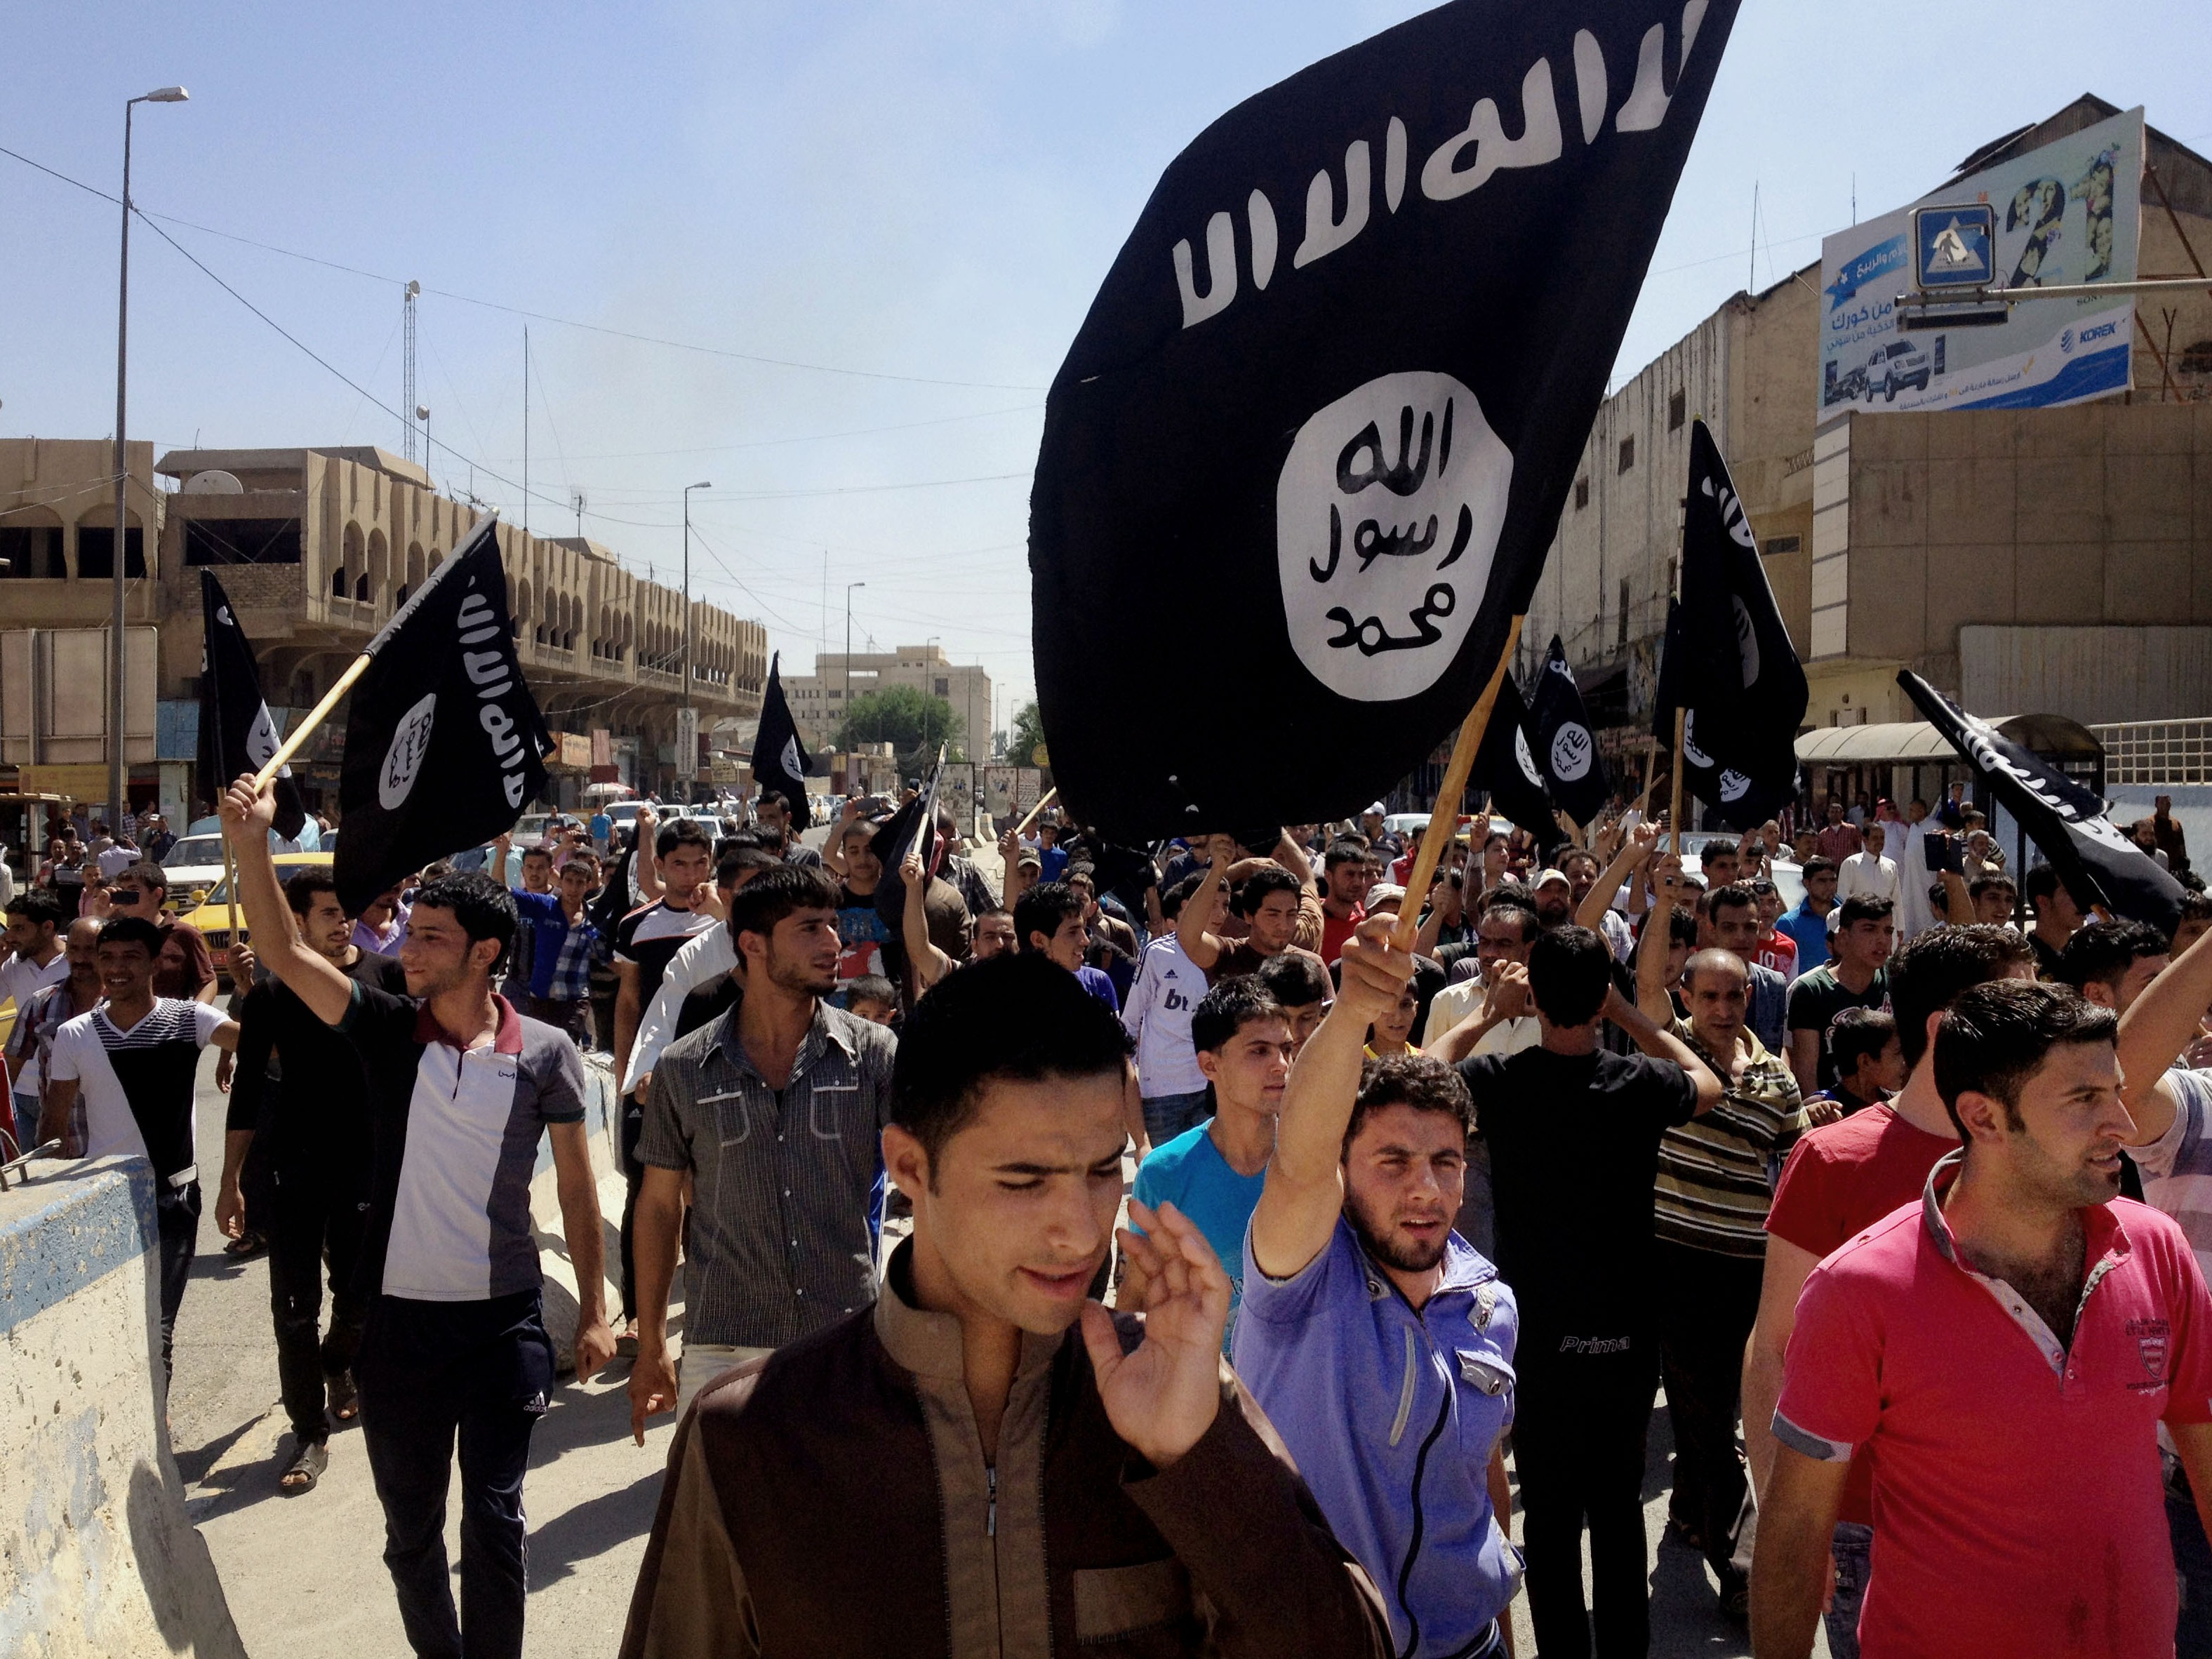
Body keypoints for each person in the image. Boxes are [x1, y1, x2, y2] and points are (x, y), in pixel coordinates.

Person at [619, 950, 1394, 1659]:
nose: (1080, 1229)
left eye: (1100, 1172)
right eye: (1024, 1182)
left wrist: (1196, 1462)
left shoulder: (1176, 1397)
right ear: (909, 1168)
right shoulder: (753, 1437)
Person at [221, 774, 612, 1659]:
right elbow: (284, 954)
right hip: (397, 1334)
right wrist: (250, 841)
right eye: (412, 930)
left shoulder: (547, 1055)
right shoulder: (386, 1031)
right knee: (411, 1538)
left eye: (432, 937)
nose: (409, 945)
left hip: (503, 1325)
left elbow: (581, 1193)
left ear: (484, 954)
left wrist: (594, 1305)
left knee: (496, 1520)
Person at [1752, 980, 2212, 1659]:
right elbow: (1793, 1531)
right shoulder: (1858, 1289)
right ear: (1984, 1118)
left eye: (2113, 1090)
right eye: (2084, 1100)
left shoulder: (2154, 1249)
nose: (2119, 1120)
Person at [1742, 924, 2037, 1659]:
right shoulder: (1832, 1161)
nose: (2044, 1030)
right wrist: (1786, 1536)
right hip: (1865, 1529)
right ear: (1944, 1030)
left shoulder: (2047, 1159)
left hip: (2023, 1522)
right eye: (2021, 1008)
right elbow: (1773, 1347)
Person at [1234, 918, 1520, 1659]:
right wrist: (1351, 1011)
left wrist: (1503, 1628)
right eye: (1391, 1161)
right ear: (1344, 1164)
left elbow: (1480, 1486)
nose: (1423, 1189)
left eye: (1445, 1163)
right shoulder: (1301, 1278)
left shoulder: (1490, 1303)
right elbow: (1296, 1157)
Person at [1453, 924, 1720, 1658]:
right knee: (1615, 1501)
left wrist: (1484, 1012)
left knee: (1548, 1509)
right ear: (1600, 999)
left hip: (1533, 1330)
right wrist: (1634, 1016)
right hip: (1626, 1326)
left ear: (1532, 996)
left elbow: (1419, 1069)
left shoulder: (1498, 1082)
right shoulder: (1636, 1083)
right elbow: (1708, 1081)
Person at [626, 865, 898, 1430]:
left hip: (844, 1340)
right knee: (724, 1518)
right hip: (722, 1347)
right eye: (810, 929)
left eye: (832, 925)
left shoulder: (873, 1055)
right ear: (752, 944)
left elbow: (935, 1177)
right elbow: (656, 1209)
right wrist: (652, 1343)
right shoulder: (683, 1069)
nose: (834, 943)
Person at [1634, 868, 1807, 1618]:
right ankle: (1741, 1569)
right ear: (1687, 999)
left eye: (1734, 996)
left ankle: (1691, 1512)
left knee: (1739, 1411)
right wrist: (1666, 901)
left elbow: (1799, 1172)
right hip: (1676, 1263)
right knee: (1704, 1414)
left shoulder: (1776, 1082)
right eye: (1707, 996)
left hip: (1751, 1269)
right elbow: (1643, 986)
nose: (1721, 1008)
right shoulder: (1666, 1052)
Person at [216, 869, 409, 1491]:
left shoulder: (388, 977)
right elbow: (246, 1092)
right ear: (296, 922)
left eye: (344, 910)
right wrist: (230, 1180)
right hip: (291, 1167)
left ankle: (339, 1361)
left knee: (360, 1296)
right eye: (326, 913)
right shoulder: (271, 997)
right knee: (292, 1310)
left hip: (368, 1166)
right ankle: (308, 1434)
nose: (341, 922)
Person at [38, 915, 241, 1379]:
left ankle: (156, 1435)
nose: (116, 969)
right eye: (106, 957)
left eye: (130, 957)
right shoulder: (74, 1035)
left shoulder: (190, 1019)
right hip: (104, 1202)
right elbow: (53, 1129)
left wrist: (249, 988)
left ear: (155, 964)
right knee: (114, 1325)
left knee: (158, 1329)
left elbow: (266, 1047)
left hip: (173, 1200)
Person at [1131, 978, 1293, 1354]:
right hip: (1203, 1394)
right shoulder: (1164, 1172)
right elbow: (1138, 1295)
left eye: (1286, 1048)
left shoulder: (1314, 1164)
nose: (1281, 1064)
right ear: (1209, 1065)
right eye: (1259, 1051)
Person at [613, 818, 721, 1350]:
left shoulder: (726, 923)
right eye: (679, 863)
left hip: (715, 1072)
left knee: (708, 1193)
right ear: (659, 866)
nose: (690, 873)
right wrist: (622, 1069)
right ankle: (637, 1311)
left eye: (700, 862)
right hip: (652, 1076)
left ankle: (706, 1299)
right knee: (645, 1189)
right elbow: (629, 1000)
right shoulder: (637, 925)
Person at [1124, 876, 1216, 1146]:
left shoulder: (1228, 953)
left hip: (1209, 1088)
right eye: (1212, 905)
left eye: (1225, 905)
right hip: (1162, 1094)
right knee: (1165, 1179)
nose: (1220, 914)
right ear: (1187, 907)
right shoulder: (1157, 954)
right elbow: (1130, 1020)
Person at [496, 836, 606, 1045]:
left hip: (569, 996)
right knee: (521, 1044)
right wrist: (501, 853)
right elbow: (500, 893)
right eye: (529, 867)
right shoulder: (541, 905)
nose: (574, 887)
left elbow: (603, 956)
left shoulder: (588, 915)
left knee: (562, 1048)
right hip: (525, 988)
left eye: (580, 882)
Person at [1783, 895, 1895, 1098]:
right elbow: (1805, 1071)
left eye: (1888, 931)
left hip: (1886, 1104)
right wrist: (1817, 1111)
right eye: (1869, 929)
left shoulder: (1895, 978)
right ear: (1843, 937)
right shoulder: (1811, 990)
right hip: (1833, 1106)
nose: (1882, 940)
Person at [1, 891, 70, 1146]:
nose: (9, 937)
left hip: (68, 1093)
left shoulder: (79, 961)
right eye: (9, 929)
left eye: (19, 928)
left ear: (47, 927)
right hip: (20, 1093)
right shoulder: (13, 965)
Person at [1700, 881, 1790, 1055]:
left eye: (1750, 927)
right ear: (1711, 929)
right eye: (1729, 928)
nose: (1741, 937)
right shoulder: (1691, 982)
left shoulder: (1774, 986)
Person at [109, 861, 217, 1002]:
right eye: (122, 890)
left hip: (170, 1021)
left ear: (157, 894)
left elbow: (207, 982)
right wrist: (99, 915)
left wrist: (192, 1016)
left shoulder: (185, 934)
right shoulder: (113, 933)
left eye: (133, 890)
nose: (126, 896)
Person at [1015, 881, 1121, 1012]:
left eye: (1083, 929)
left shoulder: (1097, 984)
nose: (1085, 941)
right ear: (1039, 940)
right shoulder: (1002, 1001)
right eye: (1072, 932)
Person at [1806, 1006, 1903, 1119]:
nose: (1905, 1062)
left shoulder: (1896, 1104)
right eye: (1898, 1052)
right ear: (1865, 1062)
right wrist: (1806, 1115)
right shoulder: (1823, 1112)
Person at [1258, 948, 1333, 1056]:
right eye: (1284, 1018)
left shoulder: (1336, 1062)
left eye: (1306, 1018)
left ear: (1320, 1009)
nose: (1294, 1032)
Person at [2023, 861, 2084, 978]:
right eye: (2070, 892)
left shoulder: (2084, 956)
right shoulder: (2025, 964)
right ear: (2043, 902)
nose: (2081, 900)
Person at [1318, 839, 1370, 964]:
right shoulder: (1312, 921)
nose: (1358, 882)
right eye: (1349, 874)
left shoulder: (1366, 922)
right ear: (1328, 877)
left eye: (1361, 875)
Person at [752, 790, 823, 870]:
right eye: (760, 818)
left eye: (772, 817)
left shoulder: (808, 857)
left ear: (787, 818)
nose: (765, 823)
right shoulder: (752, 857)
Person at [1815, 800, 1863, 864]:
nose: (1834, 814)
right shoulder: (1823, 834)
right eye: (1832, 812)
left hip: (1850, 867)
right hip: (1831, 869)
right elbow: (1820, 854)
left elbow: (1861, 848)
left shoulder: (1852, 830)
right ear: (1828, 814)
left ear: (1842, 814)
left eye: (1837, 812)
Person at [2156, 794, 2192, 876]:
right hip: (2158, 868)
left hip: (2175, 869)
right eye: (2161, 802)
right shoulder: (2150, 823)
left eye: (2167, 803)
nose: (2165, 805)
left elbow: (2181, 845)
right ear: (2156, 805)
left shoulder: (2176, 824)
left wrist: (2184, 860)